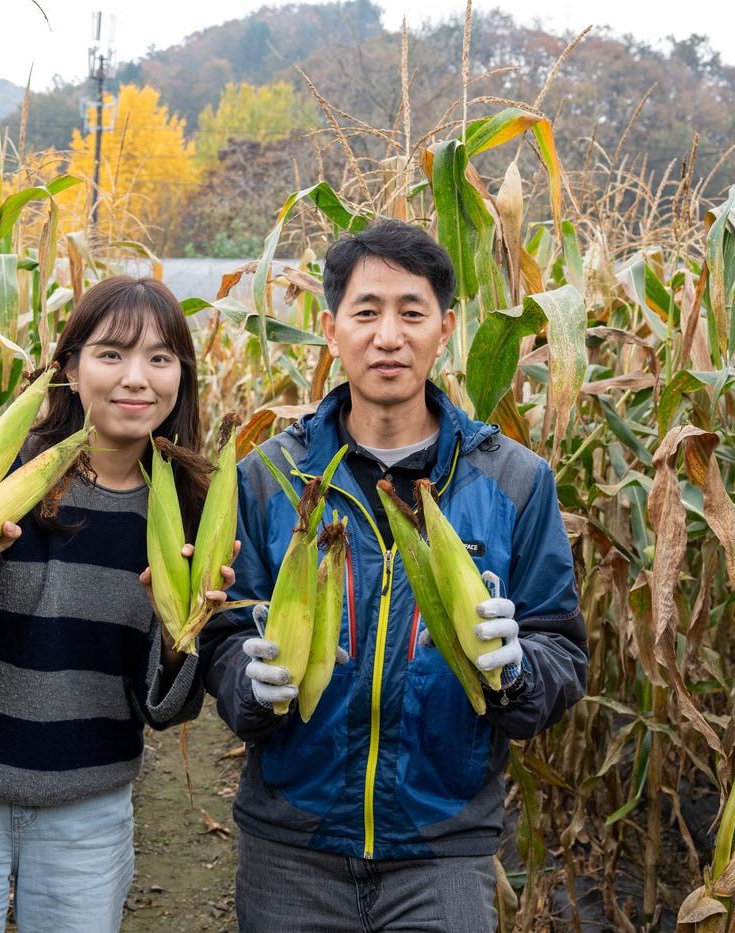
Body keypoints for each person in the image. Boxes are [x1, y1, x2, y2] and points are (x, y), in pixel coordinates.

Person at [198, 220, 587, 931]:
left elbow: (560, 645)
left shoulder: (516, 481)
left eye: (411, 313)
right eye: (366, 312)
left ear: (444, 329)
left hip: (443, 851)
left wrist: (519, 671)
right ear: (331, 327)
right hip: (292, 846)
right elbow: (222, 636)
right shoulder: (268, 477)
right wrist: (245, 684)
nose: (388, 335)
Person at [0, 275, 233, 932]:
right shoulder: (4, 473)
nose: (137, 378)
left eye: (160, 358)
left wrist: (182, 632)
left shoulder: (187, 512)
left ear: (182, 375)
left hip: (86, 814)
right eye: (111, 353)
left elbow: (168, 709)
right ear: (68, 366)